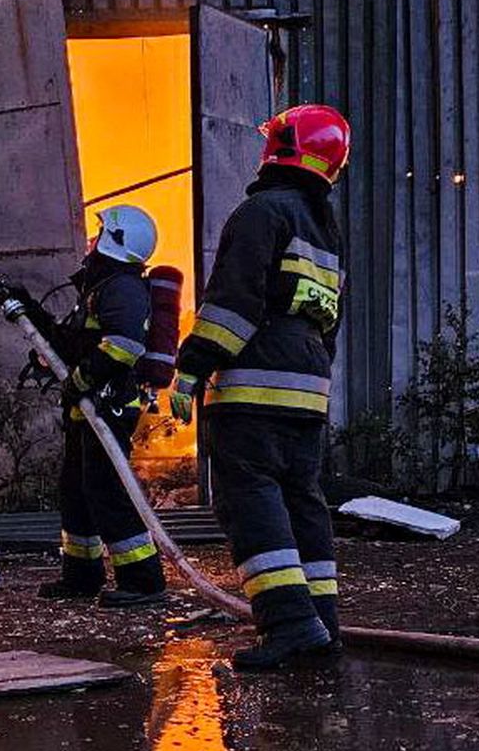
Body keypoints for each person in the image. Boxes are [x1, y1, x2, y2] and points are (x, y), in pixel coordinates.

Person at [170, 104, 351, 671]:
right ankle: (322, 624)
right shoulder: (323, 228)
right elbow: (328, 321)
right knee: (302, 502)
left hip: (254, 388)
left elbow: (233, 305)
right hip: (307, 390)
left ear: (283, 146)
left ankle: (290, 625)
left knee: (251, 499)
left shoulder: (262, 212)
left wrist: (192, 367)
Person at [39, 204, 175, 609]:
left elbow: (124, 346)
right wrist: (30, 313)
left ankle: (143, 580)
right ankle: (81, 574)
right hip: (89, 406)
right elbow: (77, 343)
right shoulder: (100, 287)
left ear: (115, 242)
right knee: (77, 490)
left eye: (100, 234)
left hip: (109, 405)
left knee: (107, 490)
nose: (92, 240)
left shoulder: (122, 288)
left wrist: (81, 380)